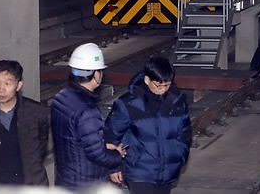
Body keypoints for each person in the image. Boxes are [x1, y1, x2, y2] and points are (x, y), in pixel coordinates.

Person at [104, 56, 191, 194]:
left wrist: (180, 157)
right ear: (147, 80)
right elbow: (110, 136)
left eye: (167, 85)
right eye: (159, 85)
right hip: (139, 171)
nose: (163, 89)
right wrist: (113, 166)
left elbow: (184, 133)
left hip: (168, 172)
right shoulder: (128, 104)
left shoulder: (177, 102)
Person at [51, 43, 125, 191]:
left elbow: (73, 140)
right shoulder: (88, 110)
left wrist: (102, 145)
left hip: (65, 180)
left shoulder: (60, 98)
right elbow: (97, 155)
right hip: (85, 184)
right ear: (97, 74)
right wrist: (117, 155)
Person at [0, 60, 49, 185]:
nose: (1, 89)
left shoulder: (35, 112)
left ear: (19, 85)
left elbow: (41, 145)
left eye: (7, 83)